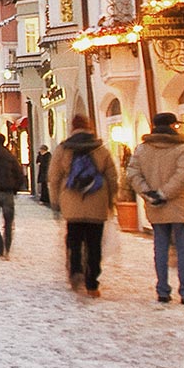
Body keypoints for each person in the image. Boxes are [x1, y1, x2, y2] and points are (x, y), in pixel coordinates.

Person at [127, 112, 184, 305]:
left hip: (156, 207)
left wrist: (149, 193)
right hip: (179, 206)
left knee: (160, 248)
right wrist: (164, 193)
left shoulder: (142, 149)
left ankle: (162, 291)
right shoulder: (182, 148)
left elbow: (133, 174)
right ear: (172, 126)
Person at [47, 115, 118, 297]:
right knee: (94, 244)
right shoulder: (101, 149)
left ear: (73, 127)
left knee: (74, 240)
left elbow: (54, 177)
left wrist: (55, 201)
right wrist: (111, 200)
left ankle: (75, 272)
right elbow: (112, 177)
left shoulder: (63, 149)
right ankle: (92, 283)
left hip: (72, 202)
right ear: (89, 127)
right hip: (97, 201)